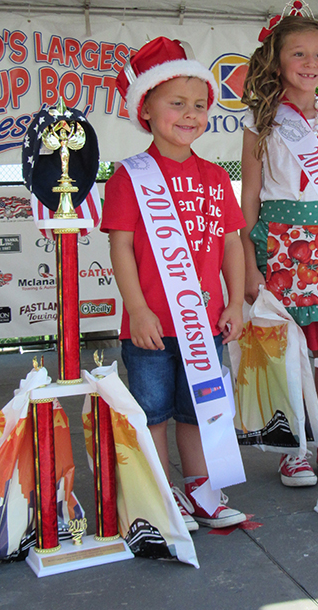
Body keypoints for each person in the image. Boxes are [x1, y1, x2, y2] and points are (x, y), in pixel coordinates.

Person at [102, 37, 247, 530]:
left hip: (206, 324)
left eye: (200, 105)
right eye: (177, 104)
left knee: (198, 410)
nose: (191, 115)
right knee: (153, 414)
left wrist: (235, 303)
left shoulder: (215, 177)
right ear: (146, 108)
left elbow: (231, 243)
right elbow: (120, 246)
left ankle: (202, 491)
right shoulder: (129, 177)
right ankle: (163, 496)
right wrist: (137, 309)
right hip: (150, 328)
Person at [240, 0, 318, 487]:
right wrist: (249, 262)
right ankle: (290, 448)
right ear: (276, 61)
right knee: (284, 349)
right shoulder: (260, 121)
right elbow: (249, 196)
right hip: (278, 245)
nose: (311, 64)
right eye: (299, 54)